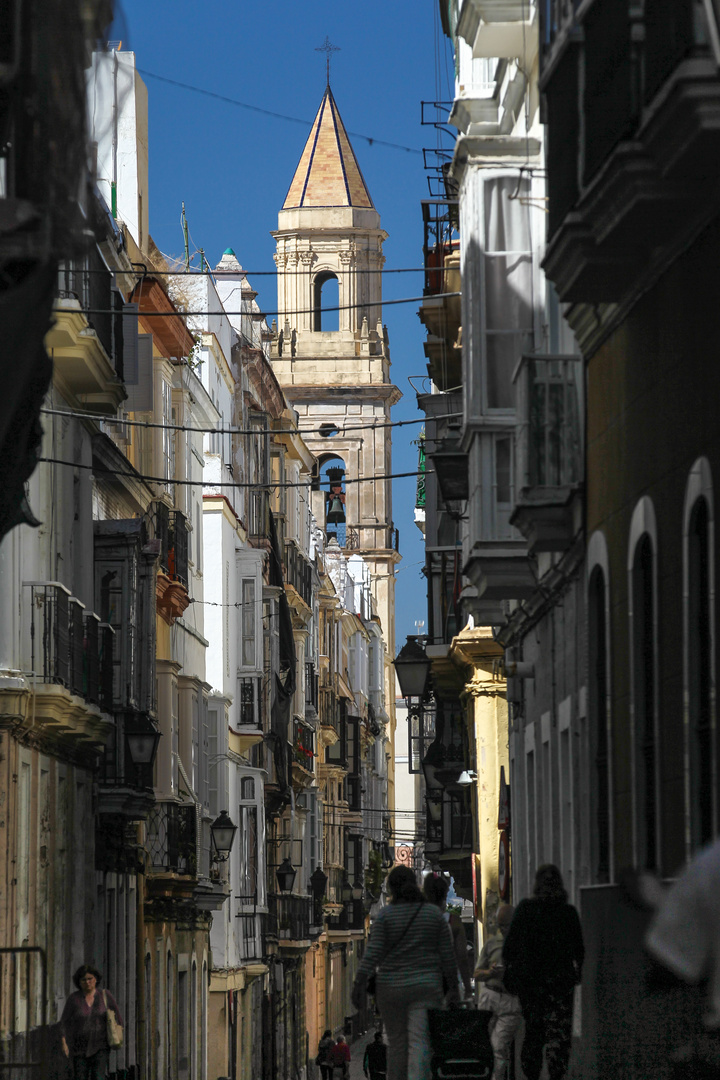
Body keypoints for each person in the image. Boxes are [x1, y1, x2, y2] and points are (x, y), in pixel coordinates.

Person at [351, 864, 460, 1080]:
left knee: (397, 1044)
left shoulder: (385, 917)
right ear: (416, 885)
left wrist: (359, 984)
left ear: (391, 889)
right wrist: (454, 988)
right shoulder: (433, 915)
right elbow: (448, 956)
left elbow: (371, 954)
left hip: (391, 990)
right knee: (420, 1041)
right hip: (426, 988)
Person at [502, 865, 584, 1080]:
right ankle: (556, 1072)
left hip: (532, 985)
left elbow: (509, 948)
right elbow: (579, 950)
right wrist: (577, 974)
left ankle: (532, 1074)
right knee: (559, 1035)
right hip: (560, 984)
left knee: (534, 1032)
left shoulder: (526, 910)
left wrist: (513, 970)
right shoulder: (568, 913)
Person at [474, 904, 522, 1080]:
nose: (503, 929)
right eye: (500, 925)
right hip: (490, 995)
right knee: (482, 1044)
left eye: (506, 925)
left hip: (510, 1000)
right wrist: (490, 973)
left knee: (498, 1047)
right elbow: (477, 973)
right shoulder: (491, 944)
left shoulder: (523, 945)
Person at [59, 965, 123, 1080]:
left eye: (90, 978)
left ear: (96, 979)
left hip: (101, 1046)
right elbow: (64, 1021)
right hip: (79, 1048)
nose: (87, 982)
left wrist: (116, 1033)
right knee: (80, 1077)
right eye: (83, 980)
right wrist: (64, 1042)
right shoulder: (74, 999)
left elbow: (118, 1018)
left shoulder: (105, 995)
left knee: (98, 1077)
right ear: (79, 982)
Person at [422, 873, 473, 999]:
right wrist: (467, 989)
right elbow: (462, 957)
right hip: (448, 984)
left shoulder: (418, 919)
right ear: (445, 895)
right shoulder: (453, 921)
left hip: (421, 983)